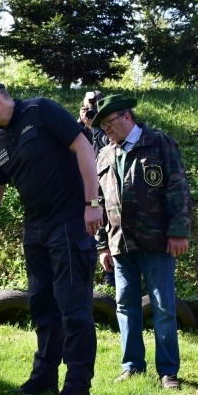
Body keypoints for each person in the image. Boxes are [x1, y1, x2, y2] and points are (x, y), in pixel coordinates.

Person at [0, 77, 101, 395]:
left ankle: (77, 388)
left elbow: (84, 148)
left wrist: (92, 204)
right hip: (35, 230)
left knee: (73, 308)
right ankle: (43, 378)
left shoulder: (41, 110)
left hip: (68, 223)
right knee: (42, 306)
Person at [93, 93, 192, 390]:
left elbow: (178, 189)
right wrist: (102, 244)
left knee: (163, 307)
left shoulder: (159, 143)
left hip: (157, 241)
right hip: (120, 243)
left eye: (110, 123)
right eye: (102, 126)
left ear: (127, 117)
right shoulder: (105, 154)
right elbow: (98, 201)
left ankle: (168, 372)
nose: (106, 130)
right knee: (125, 306)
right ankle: (132, 366)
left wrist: (178, 232)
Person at [78, 90, 115, 287]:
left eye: (95, 107)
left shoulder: (109, 128)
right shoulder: (80, 126)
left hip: (108, 185)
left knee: (109, 227)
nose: (91, 111)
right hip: (86, 187)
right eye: (88, 107)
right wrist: (82, 121)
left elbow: (112, 144)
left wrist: (95, 127)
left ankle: (112, 279)